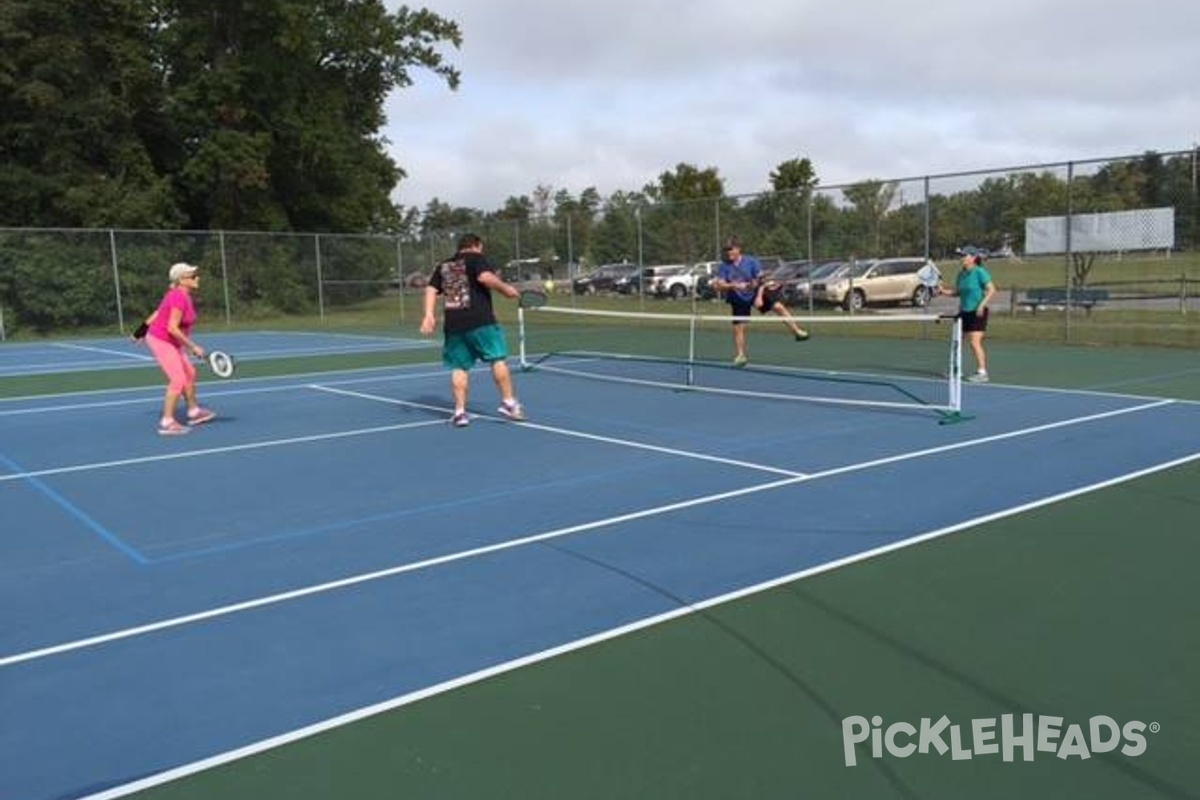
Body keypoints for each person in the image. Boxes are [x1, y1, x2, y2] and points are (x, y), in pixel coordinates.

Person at [420, 233, 526, 427]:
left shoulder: (444, 265)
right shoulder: (477, 258)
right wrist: (505, 289)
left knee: (459, 367)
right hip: (481, 321)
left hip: (454, 324)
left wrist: (429, 315)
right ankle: (509, 403)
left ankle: (460, 413)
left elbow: (431, 289)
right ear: (476, 246)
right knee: (497, 358)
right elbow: (485, 277)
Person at [135, 262, 216, 435]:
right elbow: (172, 327)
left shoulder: (181, 295)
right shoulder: (178, 296)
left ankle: (194, 412)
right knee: (178, 378)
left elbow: (159, 312)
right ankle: (167, 421)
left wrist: (139, 331)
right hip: (160, 339)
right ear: (182, 280)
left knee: (190, 373)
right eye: (193, 276)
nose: (197, 278)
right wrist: (193, 347)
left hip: (172, 341)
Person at [709, 237, 810, 367]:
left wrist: (759, 297)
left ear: (738, 249)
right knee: (738, 328)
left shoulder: (751, 262)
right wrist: (733, 286)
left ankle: (797, 332)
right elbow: (720, 285)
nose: (728, 252)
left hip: (756, 292)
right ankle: (741, 355)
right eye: (726, 250)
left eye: (731, 249)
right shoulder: (724, 266)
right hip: (738, 298)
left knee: (778, 306)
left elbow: (761, 281)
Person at [940, 247, 997, 383]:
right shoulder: (961, 274)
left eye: (964, 256)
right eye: (960, 256)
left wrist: (981, 306)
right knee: (957, 342)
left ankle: (982, 372)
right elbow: (958, 293)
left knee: (974, 342)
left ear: (973, 258)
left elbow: (992, 290)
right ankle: (956, 370)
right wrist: (942, 291)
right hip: (964, 312)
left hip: (978, 312)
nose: (961, 258)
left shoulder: (980, 272)